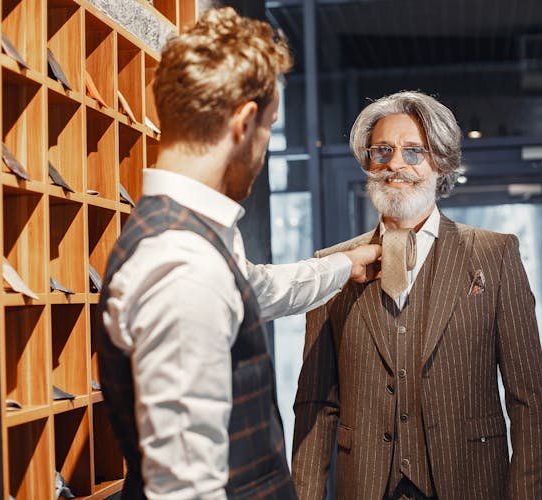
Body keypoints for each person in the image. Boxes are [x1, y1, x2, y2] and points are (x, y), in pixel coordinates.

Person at [94, 8, 380, 499]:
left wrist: (342, 266)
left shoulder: (197, 241)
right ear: (244, 123)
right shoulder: (183, 268)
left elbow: (255, 288)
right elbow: (186, 489)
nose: (266, 148)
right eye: (270, 127)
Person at [292, 90, 542, 500]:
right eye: (383, 150)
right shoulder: (333, 265)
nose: (395, 164)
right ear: (367, 161)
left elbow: (528, 400)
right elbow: (315, 403)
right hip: (364, 486)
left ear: (440, 162)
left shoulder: (495, 254)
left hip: (470, 483)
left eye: (414, 151)